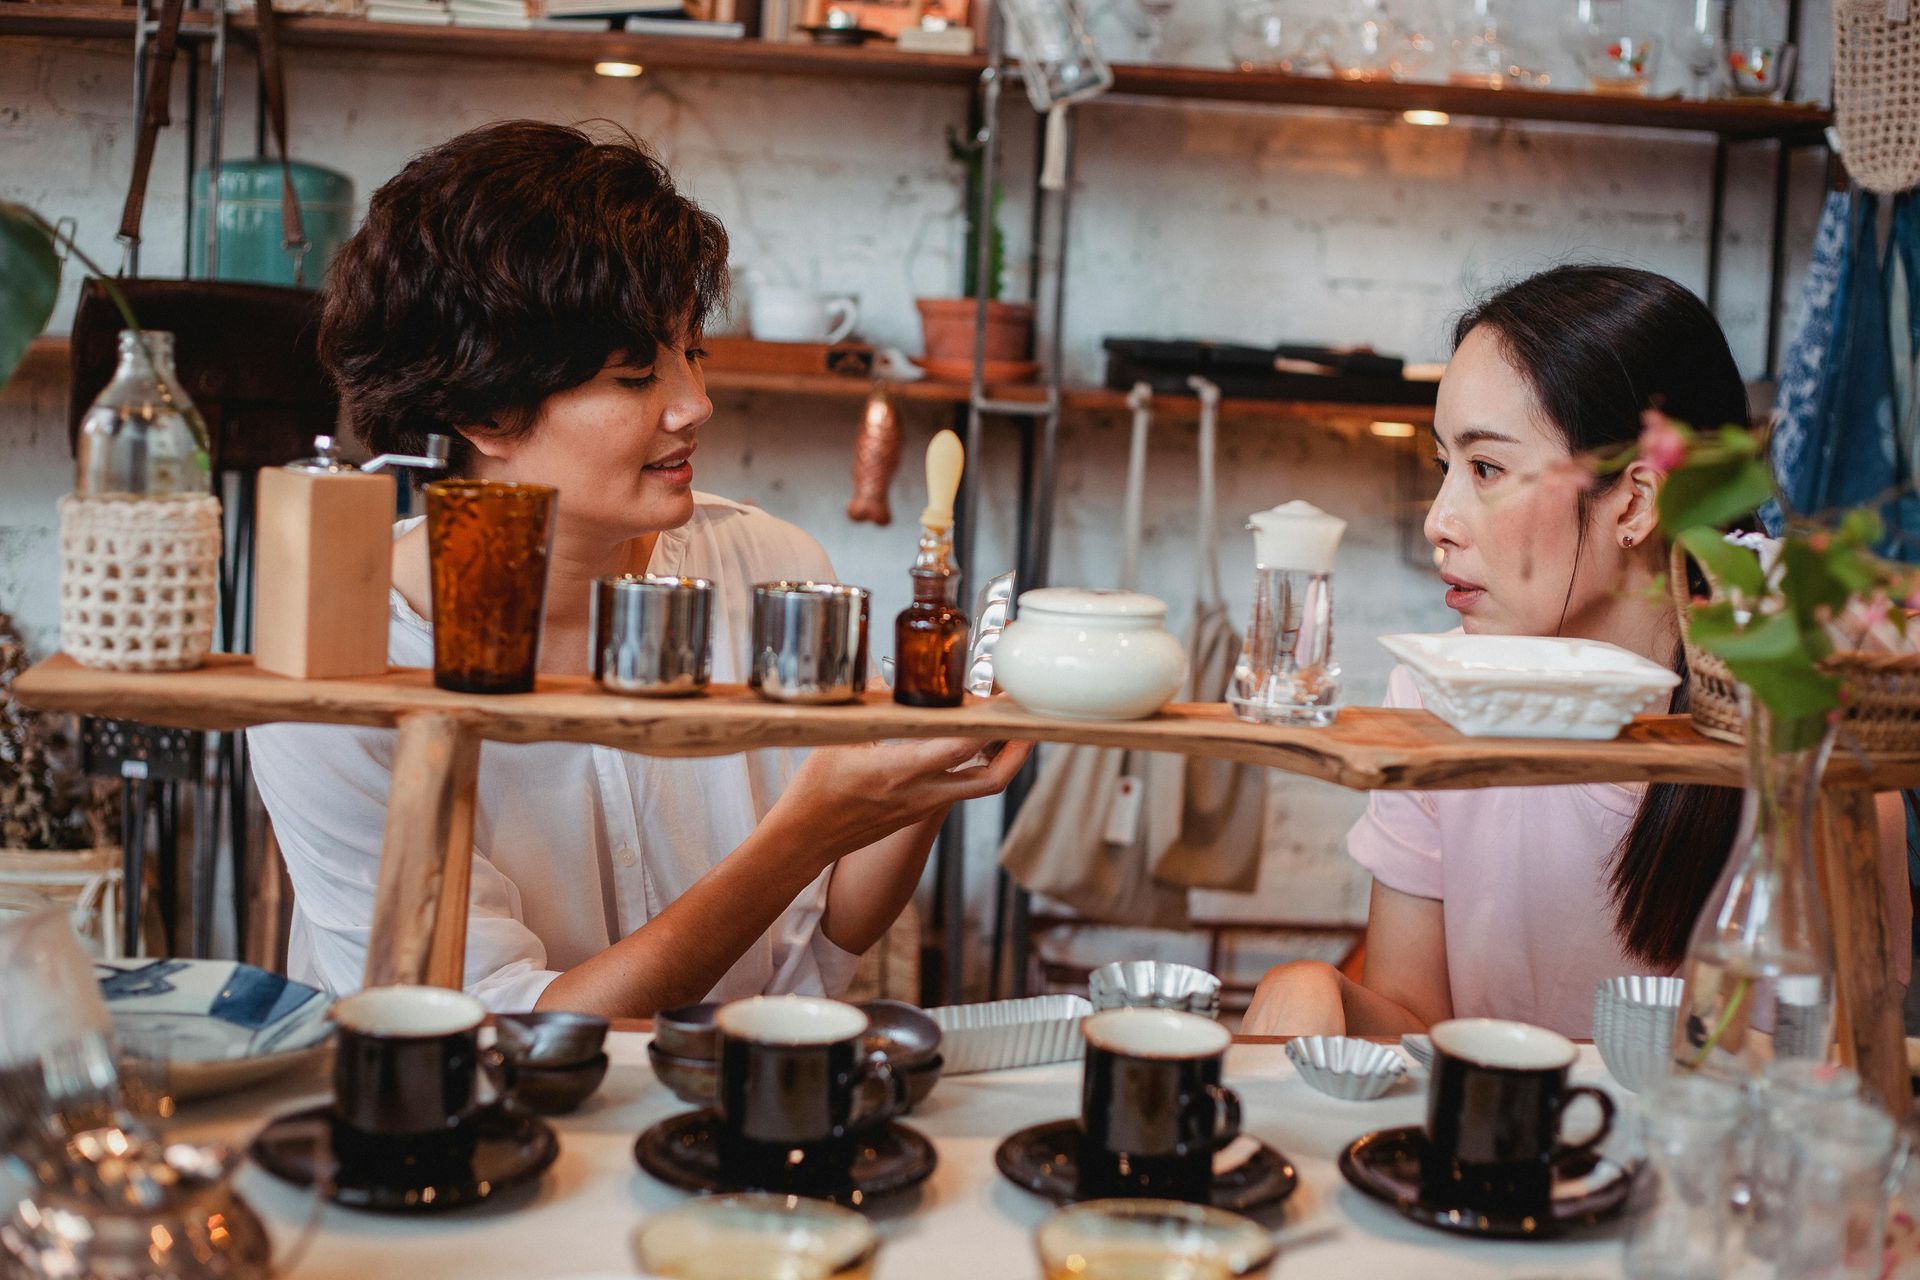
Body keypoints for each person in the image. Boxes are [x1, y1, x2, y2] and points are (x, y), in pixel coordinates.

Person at [249, 121, 1031, 1018]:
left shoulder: (771, 569)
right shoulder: (335, 669)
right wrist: (809, 824)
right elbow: (505, 1036)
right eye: (633, 377)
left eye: (691, 352)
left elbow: (830, 934)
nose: (695, 405)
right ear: (483, 409)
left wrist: (924, 773)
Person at [1241, 265, 1911, 1039]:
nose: (1438, 519)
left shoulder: (1806, 747)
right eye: (1444, 467)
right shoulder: (1431, 702)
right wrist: (1307, 990)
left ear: (1634, 502)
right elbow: (1415, 1024)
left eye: (1486, 468)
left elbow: (1828, 1082)